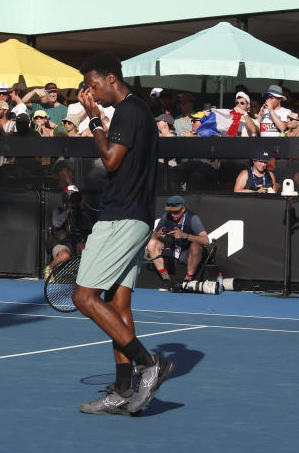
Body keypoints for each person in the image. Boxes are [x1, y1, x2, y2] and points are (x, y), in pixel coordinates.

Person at [72, 51, 172, 416]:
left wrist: (95, 119)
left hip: (122, 217)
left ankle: (148, 364)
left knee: (84, 297)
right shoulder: (138, 111)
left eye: (93, 84)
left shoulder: (128, 110)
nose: (90, 91)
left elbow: (111, 159)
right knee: (118, 305)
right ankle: (123, 389)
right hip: (137, 216)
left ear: (111, 78)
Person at [145, 195, 212, 288]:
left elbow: (206, 240)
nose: (172, 215)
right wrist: (158, 234)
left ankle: (187, 280)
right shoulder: (166, 217)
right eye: (170, 211)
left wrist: (185, 236)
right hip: (171, 249)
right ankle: (166, 279)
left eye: (176, 212)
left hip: (186, 252)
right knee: (151, 243)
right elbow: (153, 234)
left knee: (196, 246)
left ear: (183, 209)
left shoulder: (193, 218)